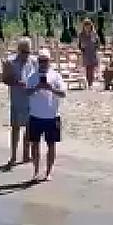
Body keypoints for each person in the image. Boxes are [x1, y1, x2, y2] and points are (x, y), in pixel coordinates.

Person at [25, 49, 66, 181]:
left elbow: (63, 93)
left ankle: (48, 172)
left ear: (49, 61)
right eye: (41, 61)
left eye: (45, 61)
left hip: (52, 116)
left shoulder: (56, 76)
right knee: (34, 144)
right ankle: (36, 171)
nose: (43, 63)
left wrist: (51, 88)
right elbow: (26, 93)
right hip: (35, 116)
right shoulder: (32, 76)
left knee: (51, 145)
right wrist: (36, 87)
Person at [1, 37, 37, 166]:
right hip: (17, 98)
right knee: (15, 127)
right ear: (19, 50)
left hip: (30, 98)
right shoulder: (11, 62)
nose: (26, 55)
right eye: (23, 52)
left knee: (29, 127)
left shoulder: (33, 62)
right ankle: (13, 155)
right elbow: (5, 79)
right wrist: (17, 82)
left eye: (28, 52)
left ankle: (26, 154)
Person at [77, 18, 100, 88]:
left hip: (92, 52)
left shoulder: (94, 33)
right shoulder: (81, 34)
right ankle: (88, 82)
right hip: (86, 52)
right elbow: (79, 44)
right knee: (87, 68)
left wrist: (96, 47)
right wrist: (81, 48)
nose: (87, 27)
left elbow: (98, 43)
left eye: (88, 25)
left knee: (92, 67)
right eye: (86, 25)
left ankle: (91, 82)